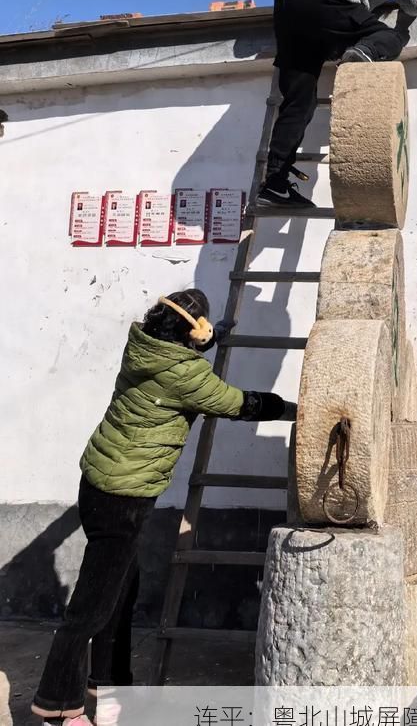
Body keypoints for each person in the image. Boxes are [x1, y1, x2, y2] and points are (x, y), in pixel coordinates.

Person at [31, 289, 296, 724]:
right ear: (196, 331)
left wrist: (210, 340)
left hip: (98, 483)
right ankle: (57, 705)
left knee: (119, 591)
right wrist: (289, 410)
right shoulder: (185, 375)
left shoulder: (142, 346)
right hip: (124, 498)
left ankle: (110, 683)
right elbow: (237, 404)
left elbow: (181, 350)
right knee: (91, 608)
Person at [257, 0, 417, 209]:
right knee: (388, 37)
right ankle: (361, 52)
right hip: (331, 1)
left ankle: (274, 183)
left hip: (288, 7)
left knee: (299, 101)